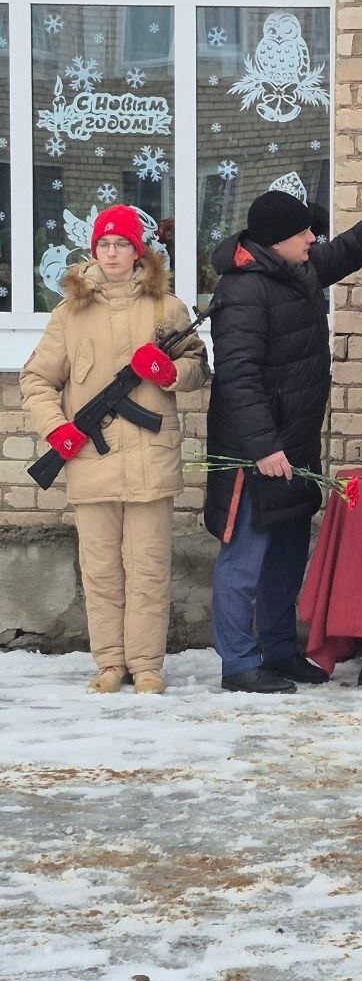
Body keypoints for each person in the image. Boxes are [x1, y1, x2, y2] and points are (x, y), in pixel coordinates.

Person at [204, 186, 362, 695]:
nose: (313, 239)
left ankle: (278, 651)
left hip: (293, 448)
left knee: (286, 556)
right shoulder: (243, 291)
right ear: (277, 241)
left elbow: (346, 249)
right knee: (245, 560)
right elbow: (238, 375)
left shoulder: (295, 269)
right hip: (254, 454)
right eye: (303, 234)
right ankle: (239, 663)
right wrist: (262, 448)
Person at [20, 205, 209, 694]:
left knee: (147, 566)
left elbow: (197, 368)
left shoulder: (167, 308)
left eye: (121, 244)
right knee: (101, 569)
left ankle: (146, 665)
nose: (111, 253)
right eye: (103, 244)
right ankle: (109, 664)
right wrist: (56, 429)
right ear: (93, 250)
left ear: (137, 250)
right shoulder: (69, 313)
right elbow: (37, 379)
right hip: (90, 458)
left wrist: (171, 373)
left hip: (150, 454)